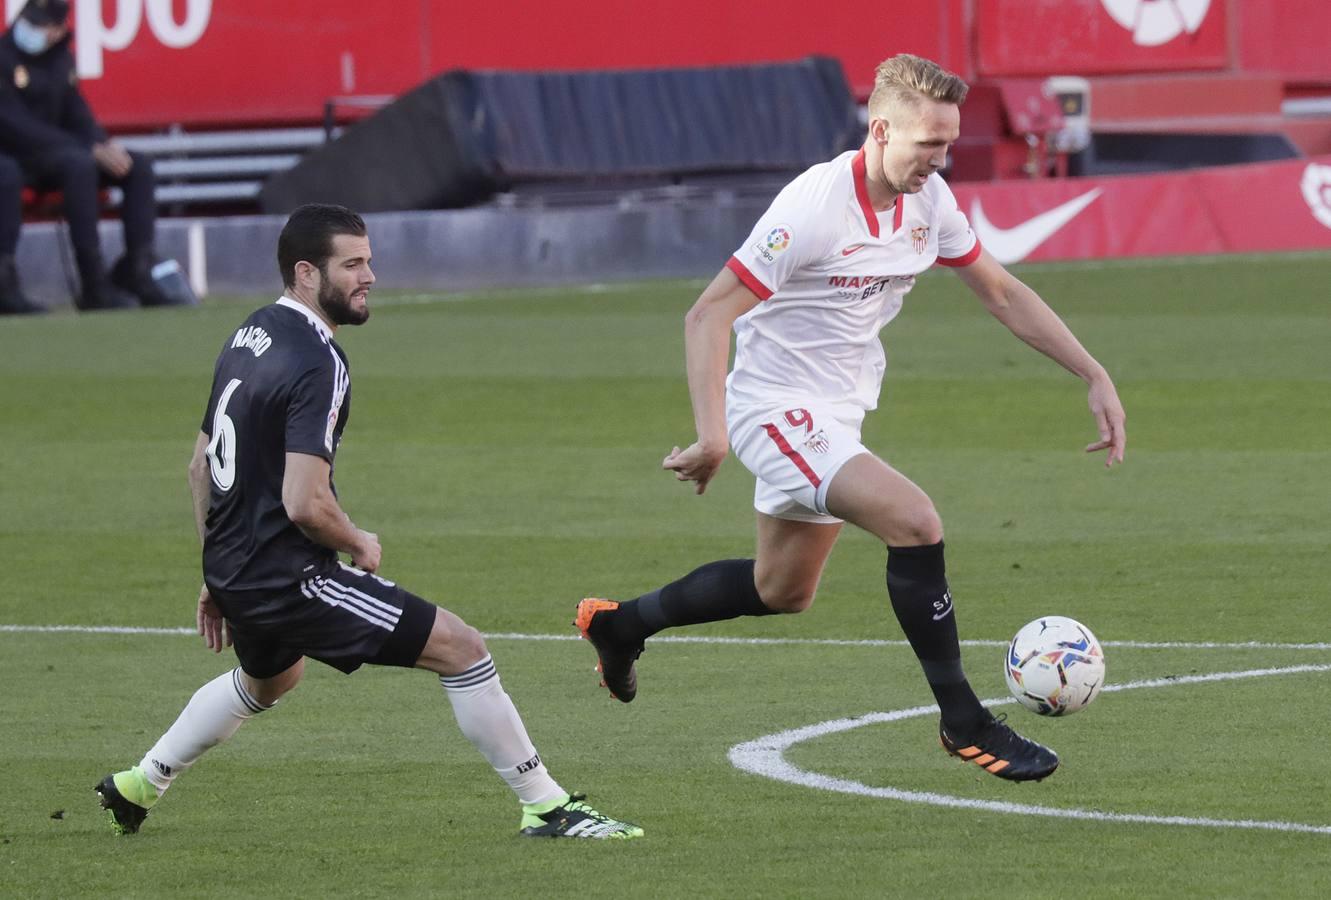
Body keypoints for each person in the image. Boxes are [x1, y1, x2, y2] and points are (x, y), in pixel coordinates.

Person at [575, 54, 1126, 782]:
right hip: (774, 410)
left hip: (836, 413)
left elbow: (999, 291)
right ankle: (963, 722)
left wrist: (1091, 370)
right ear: (879, 130)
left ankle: (620, 626)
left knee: (782, 591)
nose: (940, 157)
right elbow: (708, 313)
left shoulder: (928, 200)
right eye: (927, 143)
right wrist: (711, 433)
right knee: (915, 521)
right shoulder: (812, 207)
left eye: (948, 142)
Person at [95, 204, 643, 840]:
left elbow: (198, 467)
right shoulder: (318, 359)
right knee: (463, 650)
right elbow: (305, 501)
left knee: (269, 680)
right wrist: (357, 541)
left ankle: (139, 784)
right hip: (287, 575)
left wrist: (217, 569)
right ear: (307, 273)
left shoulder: (251, 333)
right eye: (352, 264)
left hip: (236, 567)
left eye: (369, 261)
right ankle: (547, 807)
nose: (369, 276)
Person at [0, 0, 176, 313]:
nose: (30, 29)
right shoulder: (3, 58)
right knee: (78, 164)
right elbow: (14, 125)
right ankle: (88, 281)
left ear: (57, 31)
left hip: (55, 156)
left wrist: (103, 145)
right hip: (14, 155)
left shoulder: (60, 62)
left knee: (137, 166)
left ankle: (138, 268)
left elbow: (77, 115)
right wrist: (87, 149)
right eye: (29, 20)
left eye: (40, 24)